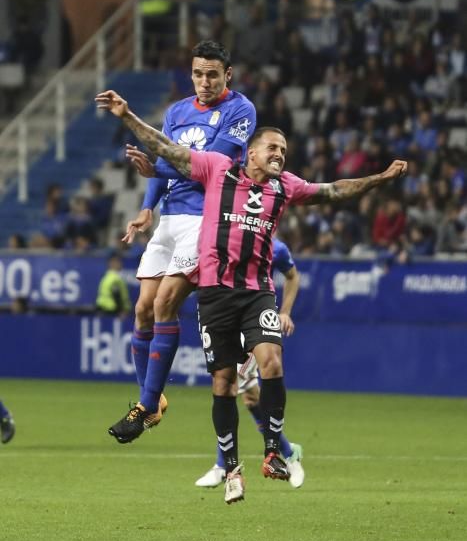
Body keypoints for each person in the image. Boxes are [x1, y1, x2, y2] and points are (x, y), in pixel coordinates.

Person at [95, 88, 407, 504]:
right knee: (224, 382)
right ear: (251, 153)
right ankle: (230, 466)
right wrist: (128, 115)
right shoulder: (218, 169)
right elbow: (168, 148)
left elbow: (334, 190)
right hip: (216, 294)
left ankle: (275, 450)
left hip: (258, 291)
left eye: (284, 149)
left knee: (271, 361)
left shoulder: (286, 187)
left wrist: (380, 179)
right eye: (272, 148)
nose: (280, 154)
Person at [107, 40, 256, 442]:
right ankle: (151, 401)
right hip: (171, 218)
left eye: (212, 74)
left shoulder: (240, 111)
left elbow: (208, 167)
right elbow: (164, 165)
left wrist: (157, 169)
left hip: (207, 219)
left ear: (228, 74)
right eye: (197, 73)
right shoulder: (176, 112)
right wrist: (147, 206)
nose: (204, 81)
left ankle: (144, 407)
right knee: (141, 310)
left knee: (164, 303)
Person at [195, 236, 305, 489]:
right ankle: (288, 452)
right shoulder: (222, 237)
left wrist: (285, 311)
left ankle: (224, 465)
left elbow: (292, 276)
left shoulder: (275, 246)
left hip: (253, 326)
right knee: (248, 397)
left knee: (235, 389)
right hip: (227, 319)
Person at [95, 253, 132, 318]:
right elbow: (116, 293)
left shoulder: (107, 277)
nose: (120, 264)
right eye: (118, 262)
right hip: (113, 312)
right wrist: (121, 310)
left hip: (105, 310)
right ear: (112, 264)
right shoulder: (115, 278)